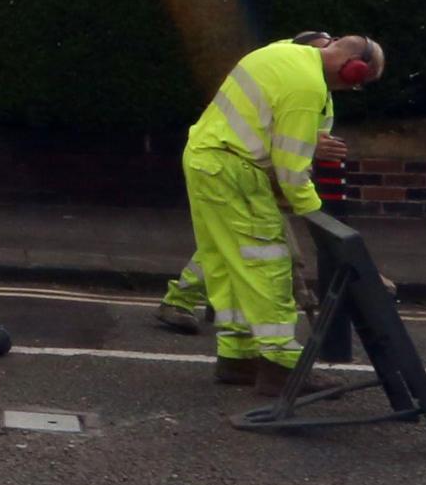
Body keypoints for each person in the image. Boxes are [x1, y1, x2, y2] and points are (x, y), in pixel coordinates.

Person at [154, 31, 385, 382]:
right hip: (235, 168)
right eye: (356, 83)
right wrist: (317, 217)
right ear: (351, 69)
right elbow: (291, 171)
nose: (349, 89)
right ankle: (281, 365)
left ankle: (237, 356)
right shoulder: (308, 87)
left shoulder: (281, 54)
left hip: (206, 158)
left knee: (226, 261)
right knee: (270, 264)